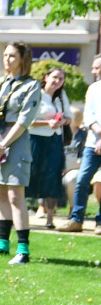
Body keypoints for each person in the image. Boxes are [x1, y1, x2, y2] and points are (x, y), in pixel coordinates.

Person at [0, 42, 42, 264]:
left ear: (23, 59)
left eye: (12, 55)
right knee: (2, 193)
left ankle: (23, 250)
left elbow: (24, 120)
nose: (7, 59)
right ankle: (2, 245)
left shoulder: (32, 85)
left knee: (16, 194)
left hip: (15, 141)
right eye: (5, 55)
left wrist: (3, 145)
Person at [59, 54, 101, 234]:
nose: (93, 71)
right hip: (93, 143)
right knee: (82, 180)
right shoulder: (93, 89)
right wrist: (99, 134)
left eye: (97, 67)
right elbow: (89, 115)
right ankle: (76, 220)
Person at [26, 67, 71, 229]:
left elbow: (69, 119)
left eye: (61, 79)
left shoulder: (61, 97)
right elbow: (26, 120)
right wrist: (47, 123)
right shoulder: (36, 94)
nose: (57, 81)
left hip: (54, 141)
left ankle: (50, 218)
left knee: (52, 178)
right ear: (46, 77)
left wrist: (62, 121)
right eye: (55, 77)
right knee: (31, 176)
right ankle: (22, 216)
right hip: (36, 140)